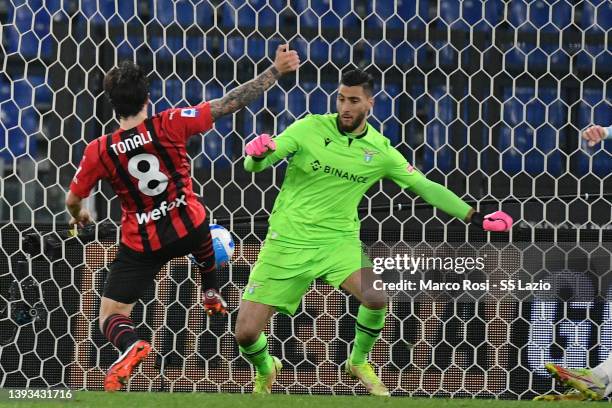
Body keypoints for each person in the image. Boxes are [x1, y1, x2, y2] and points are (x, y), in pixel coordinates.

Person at [234, 69, 513, 395]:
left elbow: (424, 187)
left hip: (337, 242)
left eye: (353, 100)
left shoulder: (379, 151)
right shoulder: (309, 128)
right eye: (341, 99)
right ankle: (267, 367)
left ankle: (358, 360)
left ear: (370, 103)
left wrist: (474, 216)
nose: (345, 107)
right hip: (288, 240)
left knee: (377, 296)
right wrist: (256, 155)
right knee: (246, 333)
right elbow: (259, 163)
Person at [65, 45, 299, 392]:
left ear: (111, 104)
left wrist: (80, 214)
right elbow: (229, 103)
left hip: (142, 243)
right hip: (190, 227)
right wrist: (276, 70)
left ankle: (130, 345)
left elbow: (73, 199)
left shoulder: (99, 150)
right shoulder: (171, 122)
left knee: (111, 316)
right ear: (148, 97)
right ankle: (210, 289)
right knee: (204, 231)